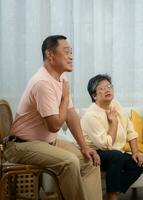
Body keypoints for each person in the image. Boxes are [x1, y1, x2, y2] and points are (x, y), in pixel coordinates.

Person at [4, 35, 102, 200]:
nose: (71, 56)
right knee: (70, 162)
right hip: (21, 146)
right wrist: (64, 98)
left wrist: (84, 147)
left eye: (71, 52)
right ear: (50, 55)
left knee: (90, 160)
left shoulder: (61, 78)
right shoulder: (42, 83)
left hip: (46, 142)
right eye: (66, 51)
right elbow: (55, 126)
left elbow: (71, 115)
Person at [81, 74, 143, 200]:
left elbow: (130, 129)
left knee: (138, 164)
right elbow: (106, 145)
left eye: (109, 86)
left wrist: (135, 152)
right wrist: (114, 122)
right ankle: (112, 196)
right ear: (94, 96)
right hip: (95, 155)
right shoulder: (91, 115)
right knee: (115, 155)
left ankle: (110, 195)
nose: (107, 89)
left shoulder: (115, 104)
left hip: (116, 154)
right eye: (102, 88)